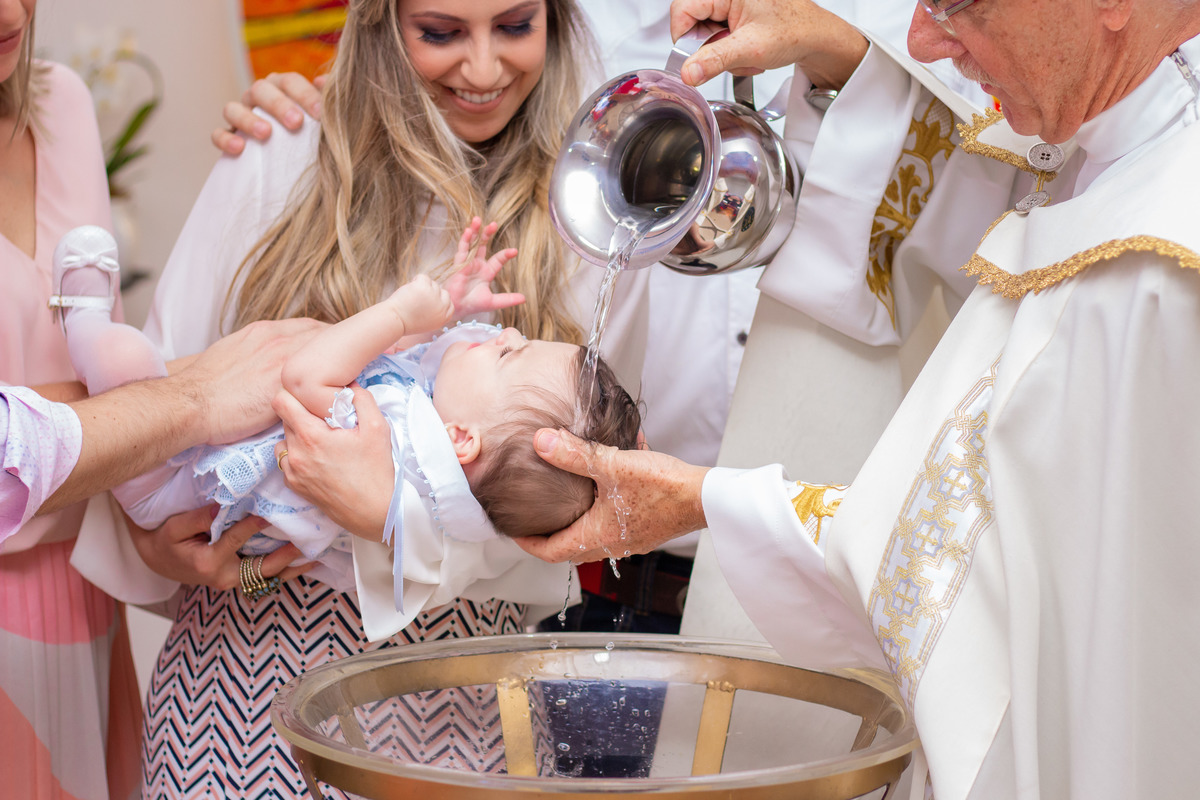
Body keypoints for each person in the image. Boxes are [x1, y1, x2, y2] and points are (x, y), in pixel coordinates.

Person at [515, 0, 1200, 797]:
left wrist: (709, 502)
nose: (920, 41)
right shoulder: (1104, 162)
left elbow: (990, 586)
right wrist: (841, 62)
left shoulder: (1160, 274)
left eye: (958, 6)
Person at [112, 1, 653, 796]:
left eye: (514, 26)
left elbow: (590, 514)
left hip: (467, 703)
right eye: (441, 32)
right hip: (245, 684)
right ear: (379, 22)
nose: (481, 69)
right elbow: (155, 412)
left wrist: (394, 528)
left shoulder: (594, 208)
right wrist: (161, 549)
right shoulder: (278, 156)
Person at [57, 221, 640, 636]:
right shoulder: (444, 463)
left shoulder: (391, 450)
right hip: (195, 534)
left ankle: (81, 322)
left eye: (509, 354)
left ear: (463, 439)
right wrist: (446, 317)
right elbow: (400, 370)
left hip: (167, 480)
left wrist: (397, 315)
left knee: (125, 368)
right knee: (133, 373)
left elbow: (310, 375)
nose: (504, 334)